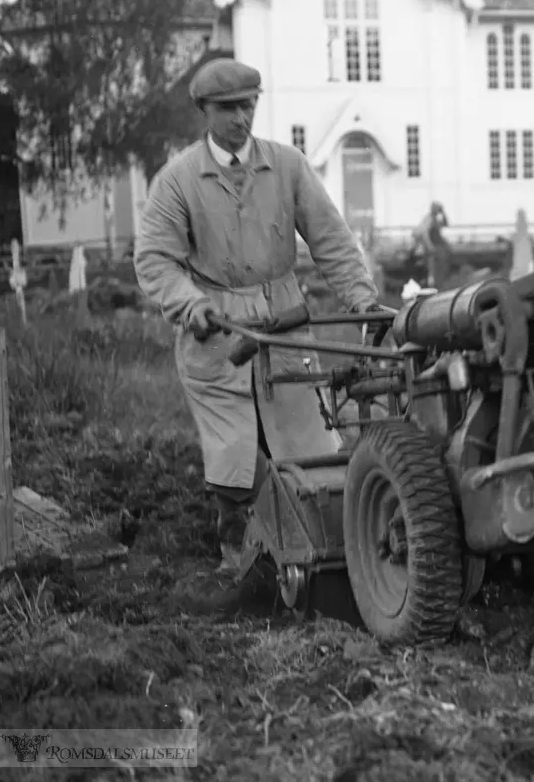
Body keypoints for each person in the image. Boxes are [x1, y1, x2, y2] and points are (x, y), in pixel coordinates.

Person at [134, 59, 383, 613]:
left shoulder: (287, 166)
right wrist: (188, 303)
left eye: (249, 105)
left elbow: (332, 241)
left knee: (309, 442)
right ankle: (239, 561)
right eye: (228, 109)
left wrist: (361, 300)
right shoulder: (177, 180)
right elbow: (154, 261)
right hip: (216, 331)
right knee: (237, 453)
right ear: (204, 112)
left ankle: (329, 555)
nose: (241, 118)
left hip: (285, 322)